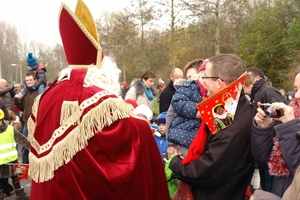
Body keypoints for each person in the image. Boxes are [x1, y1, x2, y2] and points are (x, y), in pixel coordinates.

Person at [28, 1, 169, 199]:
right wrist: (141, 121)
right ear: (101, 69)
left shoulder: (46, 96)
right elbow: (122, 141)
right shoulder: (98, 99)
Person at [169, 54, 254, 199]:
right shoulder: (230, 106)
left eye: (205, 76)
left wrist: (175, 163)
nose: (201, 80)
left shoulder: (232, 127)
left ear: (219, 83)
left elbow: (205, 172)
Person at [251, 68, 300, 197]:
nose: (297, 96)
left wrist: (290, 128)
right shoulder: (293, 114)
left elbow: (297, 171)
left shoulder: (291, 121)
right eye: (296, 89)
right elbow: (262, 160)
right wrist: (264, 129)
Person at [244, 67, 285, 193]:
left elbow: (281, 118)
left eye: (246, 81)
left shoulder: (268, 92)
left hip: (272, 151)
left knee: (270, 189)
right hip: (265, 148)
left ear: (256, 79)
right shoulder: (258, 93)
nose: (243, 85)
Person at [0, 108, 30, 200]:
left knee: (17, 178)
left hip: (13, 159)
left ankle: (20, 193)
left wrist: (33, 148)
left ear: (2, 120)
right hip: (0, 162)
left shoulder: (10, 129)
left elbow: (23, 140)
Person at [14, 72, 39, 164]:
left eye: (30, 80)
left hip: (38, 122)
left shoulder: (40, 91)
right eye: (27, 80)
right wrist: (17, 101)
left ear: (35, 80)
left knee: (39, 145)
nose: (28, 82)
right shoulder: (24, 92)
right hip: (27, 122)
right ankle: (25, 166)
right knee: (25, 146)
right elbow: (22, 108)